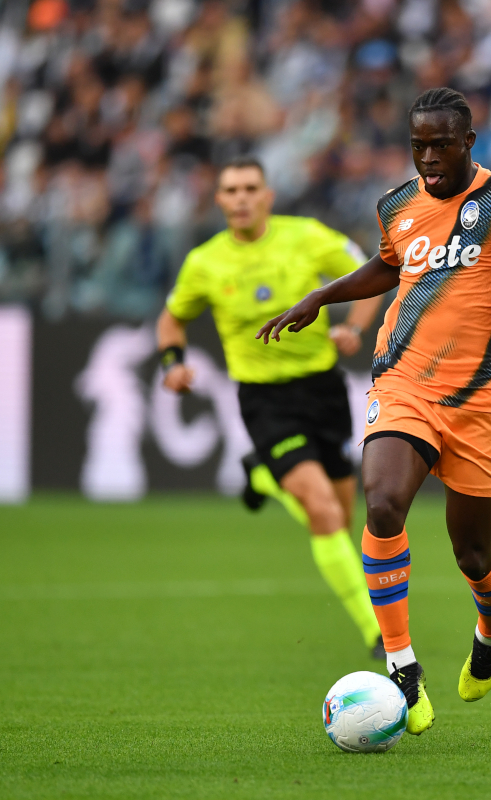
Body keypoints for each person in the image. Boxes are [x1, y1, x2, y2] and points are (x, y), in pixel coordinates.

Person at [257, 88, 491, 736]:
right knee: (381, 505)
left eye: (440, 144)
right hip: (403, 382)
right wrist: (320, 297)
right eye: (418, 145)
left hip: (484, 397)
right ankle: (403, 666)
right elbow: (387, 266)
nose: (428, 157)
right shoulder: (397, 205)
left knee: (471, 550)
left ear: (468, 142)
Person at [157, 155, 385, 658]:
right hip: (264, 400)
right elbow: (171, 319)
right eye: (230, 190)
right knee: (323, 511)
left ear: (267, 196)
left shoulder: (306, 236)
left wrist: (354, 326)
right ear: (218, 201)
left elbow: (374, 272)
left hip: (322, 391)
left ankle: (262, 476)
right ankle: (376, 631)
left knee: (341, 522)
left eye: (249, 188)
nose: (240, 198)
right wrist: (172, 362)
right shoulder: (205, 262)